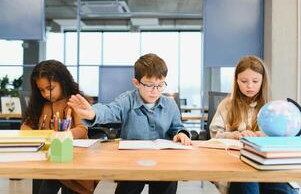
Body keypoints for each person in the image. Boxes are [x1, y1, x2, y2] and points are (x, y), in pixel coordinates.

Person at [68, 53, 192, 194]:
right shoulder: (127, 100)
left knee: (167, 185)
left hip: (163, 161)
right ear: (136, 83)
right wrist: (93, 113)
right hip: (131, 160)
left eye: (160, 85)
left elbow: (177, 127)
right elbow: (109, 110)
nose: (155, 91)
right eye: (149, 85)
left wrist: (181, 134)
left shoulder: (170, 104)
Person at [209, 55, 298, 194]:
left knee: (285, 190)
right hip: (238, 163)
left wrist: (267, 135)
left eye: (255, 81)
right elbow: (214, 135)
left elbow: (286, 137)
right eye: (244, 81)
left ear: (263, 81)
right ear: (236, 81)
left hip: (270, 165)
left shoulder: (273, 107)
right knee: (248, 186)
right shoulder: (227, 105)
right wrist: (236, 135)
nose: (249, 86)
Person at [21, 60, 97, 194]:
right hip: (47, 159)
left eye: (50, 88)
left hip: (72, 159)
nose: (45, 94)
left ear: (63, 82)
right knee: (42, 184)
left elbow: (82, 129)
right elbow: (25, 127)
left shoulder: (74, 102)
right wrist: (35, 135)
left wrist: (60, 136)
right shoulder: (41, 105)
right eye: (41, 90)